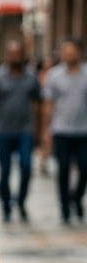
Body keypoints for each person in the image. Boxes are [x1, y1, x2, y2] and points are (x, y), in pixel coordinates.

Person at [0, 39, 41, 221]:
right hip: (3, 130)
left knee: (26, 167)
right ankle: (7, 205)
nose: (15, 56)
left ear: (23, 54)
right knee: (5, 170)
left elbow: (37, 104)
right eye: (12, 53)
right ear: (7, 55)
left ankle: (21, 201)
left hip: (25, 130)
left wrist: (39, 129)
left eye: (18, 53)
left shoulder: (31, 77)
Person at [42, 37, 87, 222]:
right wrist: (46, 130)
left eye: (72, 52)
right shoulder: (54, 75)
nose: (68, 55)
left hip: (84, 130)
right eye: (65, 52)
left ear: (79, 52)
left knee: (85, 168)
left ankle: (76, 198)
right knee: (64, 168)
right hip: (60, 129)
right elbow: (48, 103)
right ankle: (64, 206)